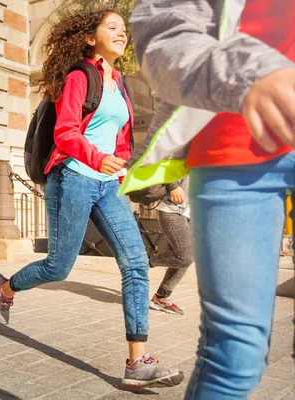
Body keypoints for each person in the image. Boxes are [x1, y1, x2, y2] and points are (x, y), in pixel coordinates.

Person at [0, 9, 184, 388]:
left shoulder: (121, 84)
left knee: (136, 262)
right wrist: (97, 158)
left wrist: (123, 168)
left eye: (124, 29)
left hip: (107, 184)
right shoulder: (80, 75)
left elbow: (122, 139)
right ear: (90, 38)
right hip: (72, 177)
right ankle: (5, 288)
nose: (121, 33)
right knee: (60, 266)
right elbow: (65, 132)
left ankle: (137, 362)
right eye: (112, 27)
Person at [123, 0, 294, 397]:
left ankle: (155, 308)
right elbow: (162, 30)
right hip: (236, 147)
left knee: (161, 259)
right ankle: (154, 312)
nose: (117, 33)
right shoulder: (87, 77)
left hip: (186, 184)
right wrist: (249, 74)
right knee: (237, 352)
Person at [149, 178, 193, 315]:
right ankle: (145, 260)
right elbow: (167, 160)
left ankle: (161, 297)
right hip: (173, 209)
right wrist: (173, 186)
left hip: (192, 212)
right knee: (185, 257)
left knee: (186, 256)